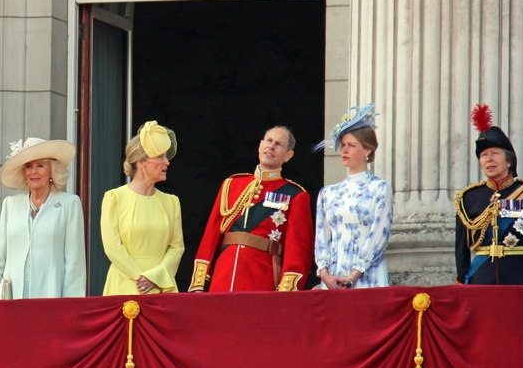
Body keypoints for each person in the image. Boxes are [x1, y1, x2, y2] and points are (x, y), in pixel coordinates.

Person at [189, 126, 314, 293]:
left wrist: (286, 292)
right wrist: (199, 283)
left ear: (288, 156)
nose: (271, 146)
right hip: (223, 275)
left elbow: (298, 251)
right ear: (260, 145)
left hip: (261, 279)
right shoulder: (232, 184)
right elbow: (211, 236)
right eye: (269, 141)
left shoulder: (295, 195)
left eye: (278, 144)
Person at [454, 104, 523, 285]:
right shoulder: (468, 198)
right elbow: (461, 248)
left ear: (508, 161)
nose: (488, 159)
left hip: (521, 279)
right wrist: (462, 280)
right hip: (481, 279)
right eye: (483, 155)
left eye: (494, 154)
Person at [0, 138, 85, 299]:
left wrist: (71, 305)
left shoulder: (69, 204)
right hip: (12, 299)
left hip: (51, 298)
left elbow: (74, 264)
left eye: (40, 166)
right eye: (28, 166)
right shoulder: (11, 204)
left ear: (52, 170)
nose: (33, 171)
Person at [313, 104, 393, 289]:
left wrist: (355, 274)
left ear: (367, 150)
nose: (344, 150)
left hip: (367, 275)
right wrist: (324, 274)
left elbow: (379, 233)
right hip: (332, 277)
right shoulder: (328, 193)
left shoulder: (379, 188)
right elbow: (321, 237)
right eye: (342, 146)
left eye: (351, 145)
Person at [101, 121, 184, 296]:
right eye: (160, 157)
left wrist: (155, 278)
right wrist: (139, 278)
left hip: (162, 286)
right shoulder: (115, 198)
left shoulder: (171, 202)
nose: (167, 162)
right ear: (141, 162)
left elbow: (177, 248)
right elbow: (112, 246)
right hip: (124, 285)